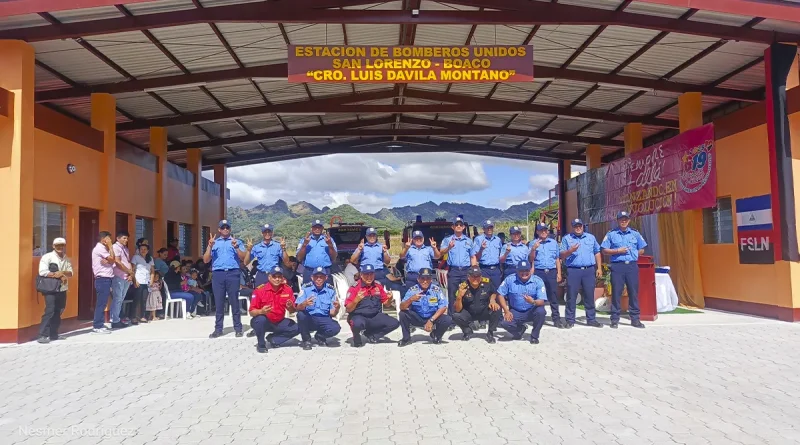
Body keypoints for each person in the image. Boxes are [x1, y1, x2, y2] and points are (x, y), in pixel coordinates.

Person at [601, 211, 648, 329]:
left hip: (631, 266)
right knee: (616, 292)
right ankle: (615, 319)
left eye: (625, 219)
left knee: (633, 293)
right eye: (621, 219)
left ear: (629, 220)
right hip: (618, 266)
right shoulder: (611, 234)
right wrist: (618, 251)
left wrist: (634, 253)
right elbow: (604, 250)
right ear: (617, 221)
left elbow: (642, 249)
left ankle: (635, 319)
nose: (623, 221)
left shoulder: (635, 234)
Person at [204, 219, 247, 339]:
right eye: (223, 228)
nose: (225, 229)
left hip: (233, 273)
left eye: (227, 227)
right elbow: (206, 260)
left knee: (234, 301)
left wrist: (237, 247)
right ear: (219, 230)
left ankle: (238, 328)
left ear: (230, 229)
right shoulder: (214, 242)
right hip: (218, 274)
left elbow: (244, 258)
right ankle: (218, 329)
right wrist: (209, 246)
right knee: (219, 302)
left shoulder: (236, 241)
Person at [560, 218, 603, 329]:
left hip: (589, 270)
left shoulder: (591, 237)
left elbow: (597, 252)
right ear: (572, 227)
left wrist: (599, 268)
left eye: (580, 226)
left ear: (583, 226)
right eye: (575, 226)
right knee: (571, 296)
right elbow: (561, 255)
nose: (578, 228)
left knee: (589, 295)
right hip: (573, 270)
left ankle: (591, 319)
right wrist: (570, 251)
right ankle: (570, 320)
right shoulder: (567, 239)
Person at [248, 266, 301, 353]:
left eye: (279, 277)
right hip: (265, 321)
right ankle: (261, 344)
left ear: (282, 278)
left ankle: (274, 339)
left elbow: (292, 311)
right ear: (269, 277)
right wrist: (261, 311)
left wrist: (290, 307)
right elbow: (251, 312)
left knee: (298, 327)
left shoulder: (287, 290)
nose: (277, 279)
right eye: (274, 277)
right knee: (260, 320)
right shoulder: (260, 290)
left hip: (279, 321)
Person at [345, 264, 399, 347]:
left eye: (371, 274)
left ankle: (372, 335)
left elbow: (386, 304)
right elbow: (348, 309)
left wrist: (389, 299)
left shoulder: (378, 286)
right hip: (359, 316)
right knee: (356, 323)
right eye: (366, 274)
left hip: (374, 316)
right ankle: (356, 337)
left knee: (394, 323)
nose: (369, 277)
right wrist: (356, 300)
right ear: (361, 275)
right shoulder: (354, 288)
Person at [397, 268, 452, 347]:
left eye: (428, 278)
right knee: (402, 314)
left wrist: (431, 320)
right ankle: (406, 338)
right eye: (422, 278)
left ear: (431, 280)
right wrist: (411, 299)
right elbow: (401, 307)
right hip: (417, 317)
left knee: (447, 319)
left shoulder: (436, 290)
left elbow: (443, 306)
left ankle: (436, 335)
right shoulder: (412, 290)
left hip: (432, 317)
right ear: (418, 279)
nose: (425, 281)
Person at [496, 260, 547, 344]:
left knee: (541, 311)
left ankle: (534, 336)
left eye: (526, 270)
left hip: (531, 310)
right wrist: (506, 310)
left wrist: (533, 301)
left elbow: (542, 301)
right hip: (516, 311)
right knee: (504, 323)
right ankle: (519, 330)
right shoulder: (510, 279)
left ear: (530, 270)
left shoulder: (538, 281)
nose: (524, 273)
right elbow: (500, 294)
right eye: (521, 271)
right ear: (517, 271)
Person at [294, 267, 341, 350]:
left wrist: (337, 308)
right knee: (300, 315)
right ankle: (306, 340)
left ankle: (320, 336)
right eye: (316, 277)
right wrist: (304, 304)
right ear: (312, 277)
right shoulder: (305, 288)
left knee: (335, 328)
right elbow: (297, 307)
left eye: (321, 277)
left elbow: (332, 313)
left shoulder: (331, 290)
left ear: (326, 278)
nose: (319, 279)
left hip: (324, 318)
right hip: (310, 319)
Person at [36, 238, 73, 343]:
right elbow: (42, 272)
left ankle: (54, 334)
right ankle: (42, 335)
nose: (60, 247)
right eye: (58, 245)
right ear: (53, 246)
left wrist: (61, 272)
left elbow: (70, 273)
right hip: (51, 288)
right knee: (50, 310)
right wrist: (58, 275)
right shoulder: (47, 257)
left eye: (62, 245)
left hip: (62, 288)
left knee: (59, 310)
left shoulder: (66, 258)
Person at [452, 266, 500, 343]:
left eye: (478, 276)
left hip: (483, 311)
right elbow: (458, 309)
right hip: (469, 313)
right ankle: (467, 331)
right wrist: (459, 297)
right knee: (456, 316)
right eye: (473, 276)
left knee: (496, 308)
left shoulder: (487, 283)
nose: (475, 278)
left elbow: (494, 292)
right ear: (468, 277)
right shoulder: (463, 286)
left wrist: (492, 300)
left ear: (481, 277)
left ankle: (490, 333)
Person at [530, 223, 564, 328]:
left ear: (548, 231)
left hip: (551, 271)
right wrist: (533, 249)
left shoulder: (554, 243)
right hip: (539, 272)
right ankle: (538, 317)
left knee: (553, 296)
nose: (544, 232)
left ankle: (556, 319)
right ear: (537, 232)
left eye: (545, 230)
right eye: (541, 230)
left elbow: (557, 259)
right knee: (539, 296)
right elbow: (531, 259)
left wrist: (559, 273)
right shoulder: (533, 243)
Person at [439, 216, 475, 313]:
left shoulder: (469, 241)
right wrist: (449, 248)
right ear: (453, 227)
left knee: (468, 293)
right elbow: (441, 252)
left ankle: (468, 316)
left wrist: (474, 270)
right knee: (452, 294)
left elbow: (472, 257)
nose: (458, 226)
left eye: (460, 225)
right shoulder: (447, 240)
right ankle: (452, 318)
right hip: (453, 270)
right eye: (456, 225)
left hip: (466, 270)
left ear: (463, 227)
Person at [296, 219, 337, 285]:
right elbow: (299, 258)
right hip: (309, 271)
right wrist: (304, 245)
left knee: (327, 292)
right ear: (311, 228)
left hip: (325, 271)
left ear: (322, 228)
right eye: (315, 227)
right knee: (308, 292)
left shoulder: (329, 240)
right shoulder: (304, 240)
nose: (317, 229)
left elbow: (334, 257)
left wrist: (330, 245)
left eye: (319, 227)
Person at [91, 231, 116, 334]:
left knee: (103, 302)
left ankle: (99, 323)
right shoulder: (100, 248)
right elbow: (112, 258)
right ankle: (97, 325)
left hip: (107, 278)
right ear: (103, 239)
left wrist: (110, 260)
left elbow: (111, 261)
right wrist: (111, 247)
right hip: (102, 279)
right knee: (101, 303)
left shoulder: (103, 249)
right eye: (109, 239)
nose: (110, 241)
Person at [110, 230, 135, 329]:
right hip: (118, 276)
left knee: (121, 299)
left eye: (127, 238)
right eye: (124, 238)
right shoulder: (115, 247)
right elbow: (117, 262)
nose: (126, 240)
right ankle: (114, 320)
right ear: (118, 238)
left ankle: (117, 318)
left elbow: (127, 261)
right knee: (117, 298)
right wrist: (129, 271)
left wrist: (130, 274)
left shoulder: (125, 249)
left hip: (126, 276)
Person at [471, 220, 503, 288]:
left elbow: (500, 256)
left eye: (491, 227)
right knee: (484, 291)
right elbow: (476, 257)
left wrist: (501, 269)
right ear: (483, 229)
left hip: (496, 270)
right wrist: (481, 249)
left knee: (497, 291)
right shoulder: (478, 239)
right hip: (484, 270)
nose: (489, 229)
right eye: (487, 227)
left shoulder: (498, 240)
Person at [130, 243, 155, 324]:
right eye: (141, 249)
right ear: (139, 250)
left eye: (145, 249)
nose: (143, 251)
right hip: (138, 281)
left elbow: (152, 271)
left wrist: (151, 280)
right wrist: (134, 280)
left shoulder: (150, 258)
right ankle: (133, 317)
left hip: (146, 282)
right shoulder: (136, 257)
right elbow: (132, 270)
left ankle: (143, 316)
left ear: (147, 250)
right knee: (137, 299)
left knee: (144, 300)